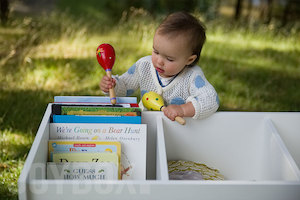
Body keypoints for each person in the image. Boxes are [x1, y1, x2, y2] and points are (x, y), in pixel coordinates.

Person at [100, 11, 219, 121]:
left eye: (169, 59)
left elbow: (211, 100)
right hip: (146, 123)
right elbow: (125, 86)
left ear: (189, 59)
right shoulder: (144, 66)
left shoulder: (192, 76)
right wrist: (113, 85)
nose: (159, 61)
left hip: (176, 130)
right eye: (156, 52)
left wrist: (183, 109)